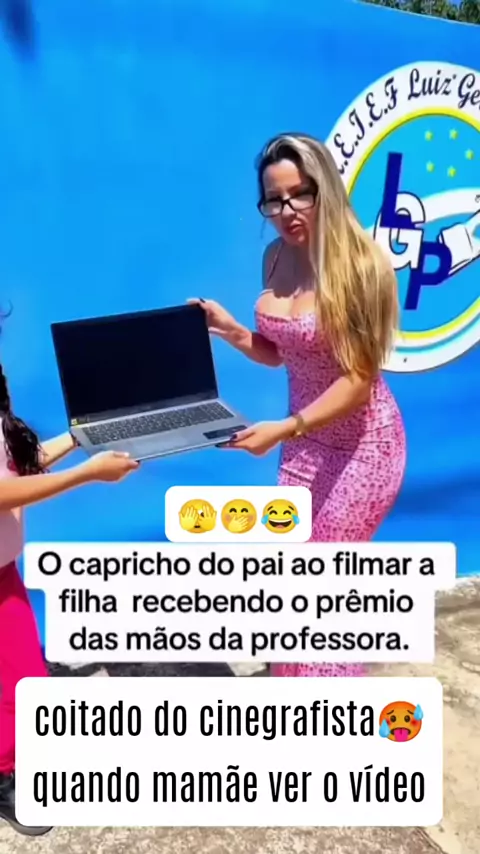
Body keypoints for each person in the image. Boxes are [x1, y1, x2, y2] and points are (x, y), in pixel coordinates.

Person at [191, 132, 406, 678]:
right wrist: (230, 329)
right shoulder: (274, 258)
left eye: (299, 194)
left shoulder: (363, 266)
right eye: (274, 200)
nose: (287, 212)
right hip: (304, 446)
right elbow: (281, 353)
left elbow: (358, 380)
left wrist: (286, 428)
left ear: (324, 188)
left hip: (365, 450)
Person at [0, 362, 139, 835]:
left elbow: (19, 468)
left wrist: (80, 439)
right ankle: (6, 775)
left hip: (3, 571)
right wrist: (87, 473)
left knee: (23, 678)